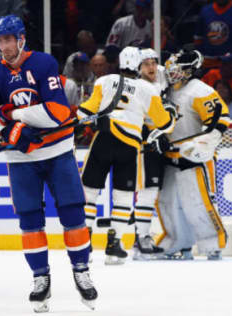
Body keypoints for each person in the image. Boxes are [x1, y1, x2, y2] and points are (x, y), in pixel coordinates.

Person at [0, 15, 97, 312]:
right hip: (21, 159)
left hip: (58, 152)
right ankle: (41, 279)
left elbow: (55, 112)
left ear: (21, 38)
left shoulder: (43, 64)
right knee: (29, 221)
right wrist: (8, 133)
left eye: (8, 39)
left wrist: (11, 116)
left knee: (72, 213)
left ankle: (82, 271)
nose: (4, 45)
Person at [77, 46, 176, 265]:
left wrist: (77, 121)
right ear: (138, 65)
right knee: (122, 197)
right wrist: (171, 113)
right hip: (129, 146)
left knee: (89, 193)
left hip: (103, 139)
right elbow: (164, 123)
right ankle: (115, 247)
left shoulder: (104, 80)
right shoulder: (148, 90)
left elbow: (86, 110)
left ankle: (84, 246)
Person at [157, 50, 230, 260]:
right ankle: (177, 243)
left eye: (177, 69)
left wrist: (203, 143)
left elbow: (220, 119)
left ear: (189, 71)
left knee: (197, 202)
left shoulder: (200, 91)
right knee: (167, 203)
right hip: (168, 157)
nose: (172, 73)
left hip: (194, 157)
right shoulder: (166, 90)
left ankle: (212, 245)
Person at [133, 48, 172, 260]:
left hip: (157, 145)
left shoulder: (158, 83)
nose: (151, 67)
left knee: (152, 191)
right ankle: (141, 238)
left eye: (153, 62)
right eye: (146, 63)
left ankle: (141, 237)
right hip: (145, 145)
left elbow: (170, 72)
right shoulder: (139, 86)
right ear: (138, 68)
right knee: (147, 191)